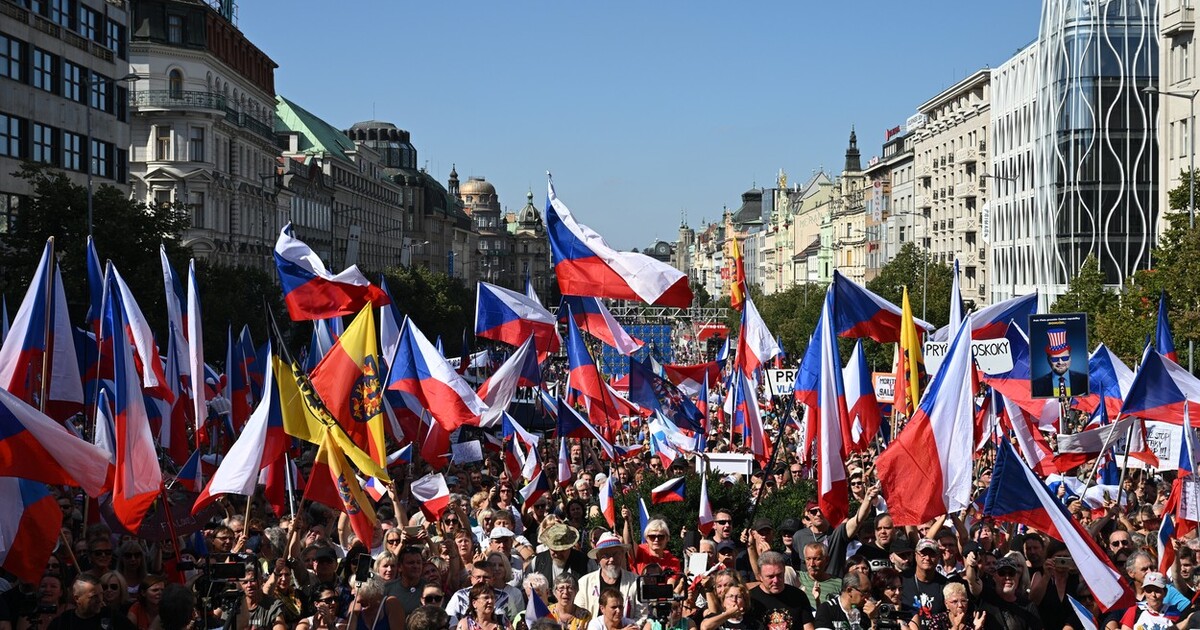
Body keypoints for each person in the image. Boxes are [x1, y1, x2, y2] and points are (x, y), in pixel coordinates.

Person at [577, 534, 642, 619]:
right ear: (598, 558)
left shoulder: (636, 581)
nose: (611, 559)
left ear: (622, 555)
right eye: (606, 555)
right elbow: (579, 616)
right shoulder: (585, 582)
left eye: (615, 554)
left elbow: (642, 616)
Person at [746, 551, 815, 630]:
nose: (776, 580)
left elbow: (808, 627)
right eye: (770, 576)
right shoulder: (751, 599)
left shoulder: (798, 596)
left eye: (779, 575)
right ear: (760, 577)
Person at [46, 575, 137, 630]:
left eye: (101, 594)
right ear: (77, 598)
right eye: (93, 597)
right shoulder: (62, 623)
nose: (100, 600)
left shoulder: (112, 617)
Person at [974, 557, 1040, 630]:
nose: (1007, 577)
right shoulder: (985, 601)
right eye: (1002, 573)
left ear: (1017, 577)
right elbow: (972, 581)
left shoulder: (1028, 607)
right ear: (994, 576)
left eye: (1011, 573)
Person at [1030, 329, 1086, 398]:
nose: (1060, 362)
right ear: (1048, 360)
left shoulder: (1084, 380)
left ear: (1070, 358)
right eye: (1055, 359)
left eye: (1065, 358)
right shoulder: (1036, 386)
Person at [1120, 572, 1187, 630]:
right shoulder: (1135, 610)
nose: (1153, 595)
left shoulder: (1173, 612)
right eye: (1149, 591)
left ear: (1165, 592)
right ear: (1144, 592)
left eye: (1157, 591)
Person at [812, 573, 876, 630]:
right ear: (849, 590)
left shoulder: (867, 613)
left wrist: (873, 619)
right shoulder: (827, 609)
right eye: (865, 592)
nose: (869, 596)